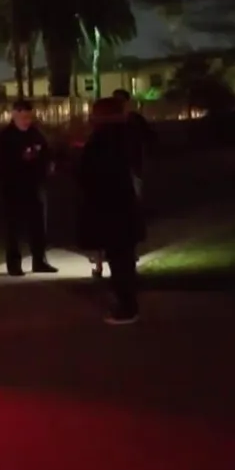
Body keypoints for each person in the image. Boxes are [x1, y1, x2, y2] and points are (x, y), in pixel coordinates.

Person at [76, 97, 146, 325]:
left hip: (111, 208)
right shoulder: (127, 136)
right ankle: (127, 303)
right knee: (123, 258)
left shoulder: (104, 141)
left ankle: (127, 308)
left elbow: (91, 173)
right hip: (124, 206)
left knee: (120, 260)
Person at [0, 100, 58, 276]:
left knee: (37, 225)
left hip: (34, 186)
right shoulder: (6, 137)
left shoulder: (35, 134)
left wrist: (47, 165)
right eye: (23, 117)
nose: (26, 121)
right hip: (13, 187)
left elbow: (46, 153)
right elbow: (0, 163)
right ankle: (14, 264)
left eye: (29, 117)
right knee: (13, 227)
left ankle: (39, 260)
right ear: (14, 114)